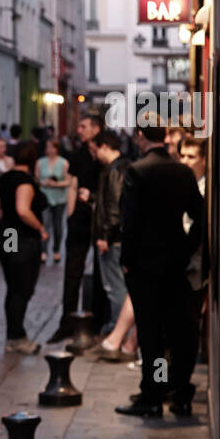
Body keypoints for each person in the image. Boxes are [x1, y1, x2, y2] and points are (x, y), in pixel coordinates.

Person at [115, 120, 205, 418]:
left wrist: (127, 260)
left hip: (144, 264)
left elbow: (130, 224)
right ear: (165, 137)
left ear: (141, 137)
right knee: (178, 330)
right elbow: (200, 218)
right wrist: (184, 249)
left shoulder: (137, 171)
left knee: (151, 333)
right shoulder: (182, 171)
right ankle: (178, 390)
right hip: (175, 264)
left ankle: (152, 394)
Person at [50, 111, 107, 342]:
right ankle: (68, 322)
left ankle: (96, 323)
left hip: (100, 220)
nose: (79, 130)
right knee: (72, 273)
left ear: (96, 129)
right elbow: (72, 185)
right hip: (80, 220)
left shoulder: (106, 153)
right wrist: (71, 214)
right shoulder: (78, 154)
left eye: (83, 126)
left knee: (101, 274)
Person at [0, 140, 48, 354]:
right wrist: (40, 227)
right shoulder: (25, 181)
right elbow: (23, 210)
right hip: (21, 237)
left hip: (7, 234)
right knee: (21, 287)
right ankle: (16, 336)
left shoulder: (3, 178)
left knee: (14, 285)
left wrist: (7, 221)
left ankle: (15, 335)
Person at [90, 130, 133, 345]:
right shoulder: (119, 167)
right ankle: (120, 331)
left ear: (105, 147)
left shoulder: (116, 170)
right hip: (115, 237)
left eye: (96, 149)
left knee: (115, 287)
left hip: (113, 239)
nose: (95, 154)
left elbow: (115, 207)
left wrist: (104, 235)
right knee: (117, 286)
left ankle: (120, 333)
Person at [178, 135, 210, 364]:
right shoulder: (182, 182)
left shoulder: (206, 187)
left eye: (191, 156)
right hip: (181, 262)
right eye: (182, 156)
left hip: (195, 263)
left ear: (204, 160)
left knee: (187, 324)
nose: (185, 161)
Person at [36, 137, 71, 263]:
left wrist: (56, 184)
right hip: (45, 197)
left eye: (51, 147)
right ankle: (43, 251)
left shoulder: (64, 163)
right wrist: (43, 182)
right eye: (47, 147)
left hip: (59, 198)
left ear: (57, 149)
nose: (48, 149)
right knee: (44, 224)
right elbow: (36, 179)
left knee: (58, 225)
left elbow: (68, 181)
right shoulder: (40, 162)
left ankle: (56, 250)